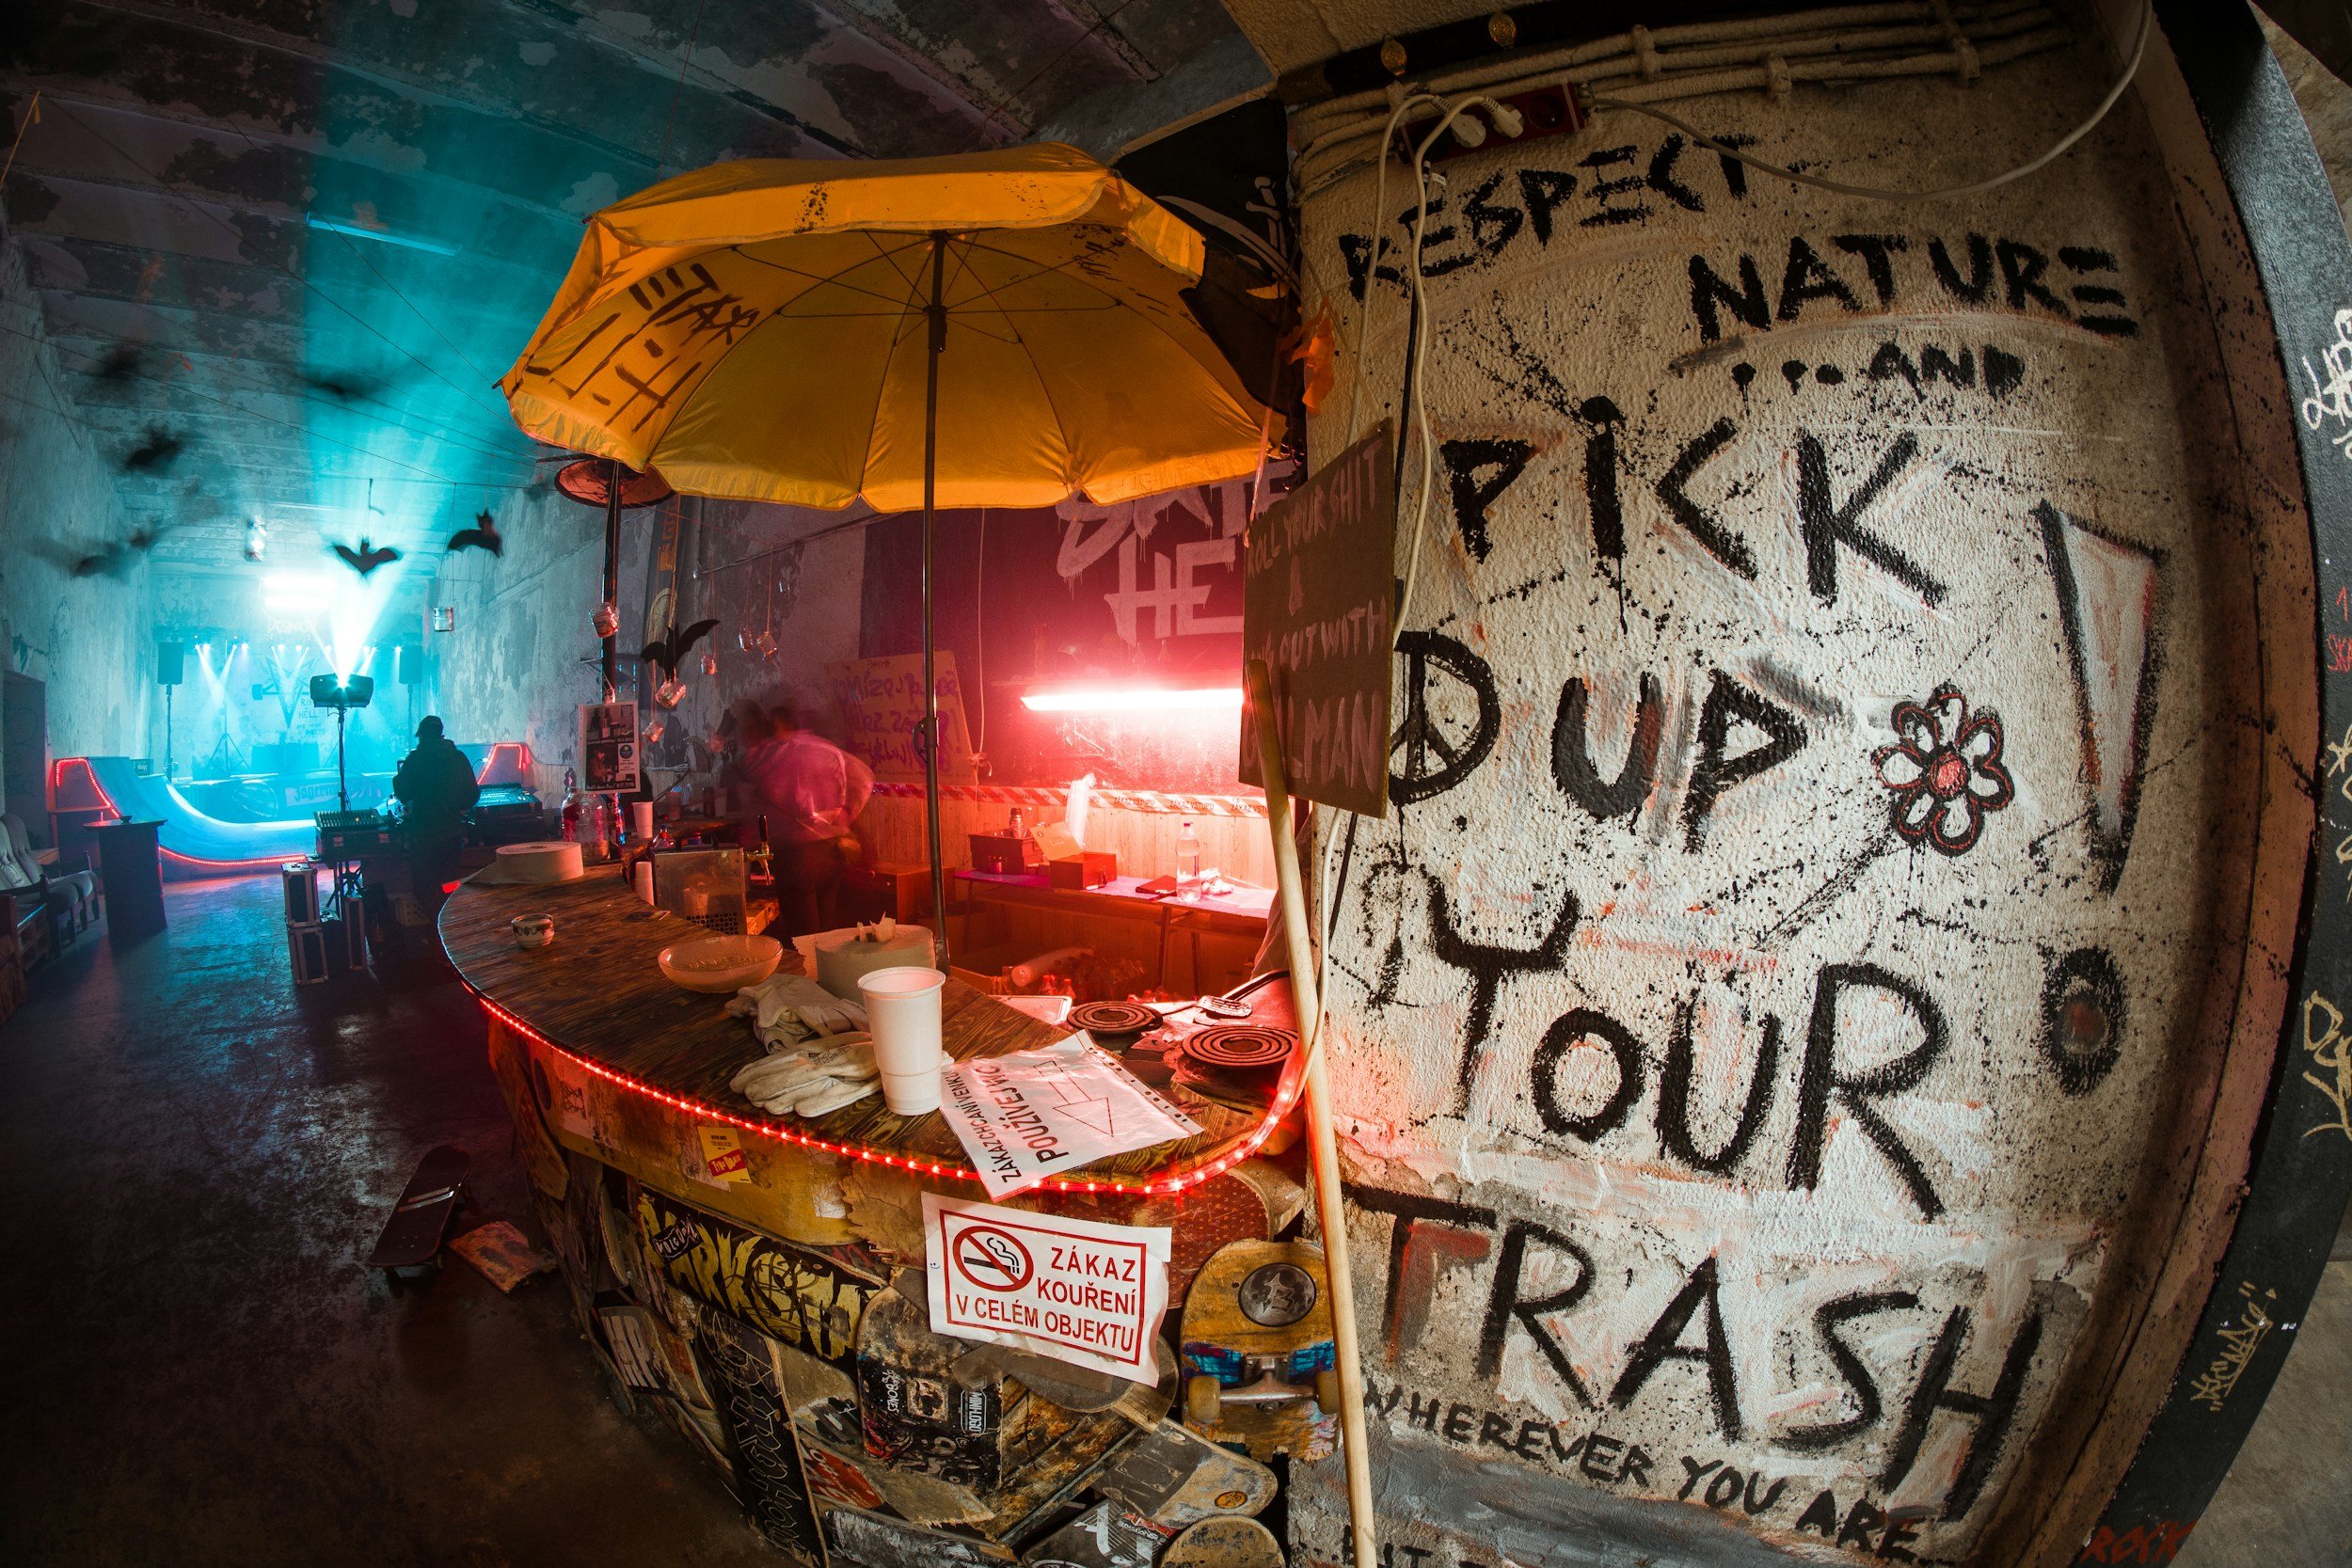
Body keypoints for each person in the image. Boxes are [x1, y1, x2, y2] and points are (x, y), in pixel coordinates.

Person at [739, 701, 872, 938]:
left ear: (777, 726)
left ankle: (809, 962)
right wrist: (844, 815)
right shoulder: (824, 748)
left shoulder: (772, 755)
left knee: (804, 936)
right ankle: (825, 960)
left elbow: (757, 794)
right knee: (826, 932)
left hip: (798, 855)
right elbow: (864, 778)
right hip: (832, 849)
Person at [393, 716, 480, 903]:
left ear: (421, 736)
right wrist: (459, 809)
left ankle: (434, 919)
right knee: (449, 886)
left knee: (424, 889)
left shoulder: (416, 759)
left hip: (424, 837)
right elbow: (473, 794)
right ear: (441, 735)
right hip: (452, 835)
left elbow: (402, 791)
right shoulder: (458, 757)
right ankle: (448, 918)